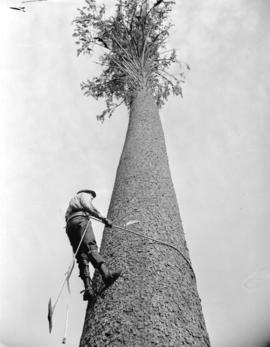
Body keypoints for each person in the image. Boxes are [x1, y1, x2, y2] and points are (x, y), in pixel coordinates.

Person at [65, 189, 121, 301]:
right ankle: (107, 274)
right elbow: (87, 205)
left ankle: (88, 290)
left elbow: (67, 217)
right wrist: (103, 218)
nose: (91, 198)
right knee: (91, 247)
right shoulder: (84, 195)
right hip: (81, 221)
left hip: (70, 225)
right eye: (92, 197)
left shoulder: (71, 204)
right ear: (89, 194)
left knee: (81, 257)